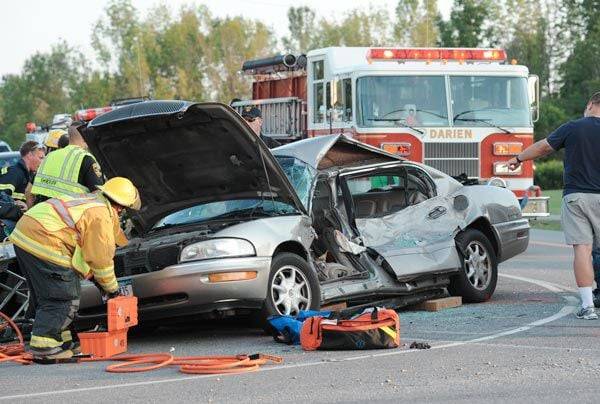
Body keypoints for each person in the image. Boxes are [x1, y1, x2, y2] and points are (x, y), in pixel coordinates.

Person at [9, 177, 141, 360]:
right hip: (45, 238)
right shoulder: (101, 215)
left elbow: (82, 253)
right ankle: (44, 347)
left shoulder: (92, 200)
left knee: (51, 293)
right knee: (63, 296)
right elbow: (100, 259)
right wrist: (112, 289)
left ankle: (63, 341)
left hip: (26, 234)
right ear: (121, 207)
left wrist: (94, 278)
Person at [508, 91, 600, 320]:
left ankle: (587, 306)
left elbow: (543, 147)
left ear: (590, 104)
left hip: (577, 197)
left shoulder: (573, 127)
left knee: (583, 250)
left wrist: (519, 158)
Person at [31, 122, 104, 205]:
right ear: (85, 137)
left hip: (40, 212)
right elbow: (98, 194)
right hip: (70, 214)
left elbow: (29, 191)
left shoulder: (49, 156)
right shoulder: (85, 158)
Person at [0, 141, 45, 235]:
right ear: (29, 155)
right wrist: (16, 205)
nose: (43, 162)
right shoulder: (16, 173)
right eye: (40, 158)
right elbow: (2, 196)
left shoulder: (29, 175)